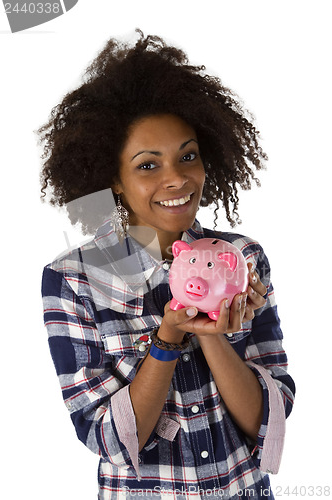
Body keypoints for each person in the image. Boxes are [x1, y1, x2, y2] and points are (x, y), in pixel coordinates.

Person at [39, 31, 295, 499]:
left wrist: (212, 333)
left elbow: (267, 421)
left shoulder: (244, 259)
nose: (178, 178)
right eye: (147, 165)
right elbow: (108, 438)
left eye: (188, 156)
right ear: (112, 177)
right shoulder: (73, 279)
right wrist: (169, 337)